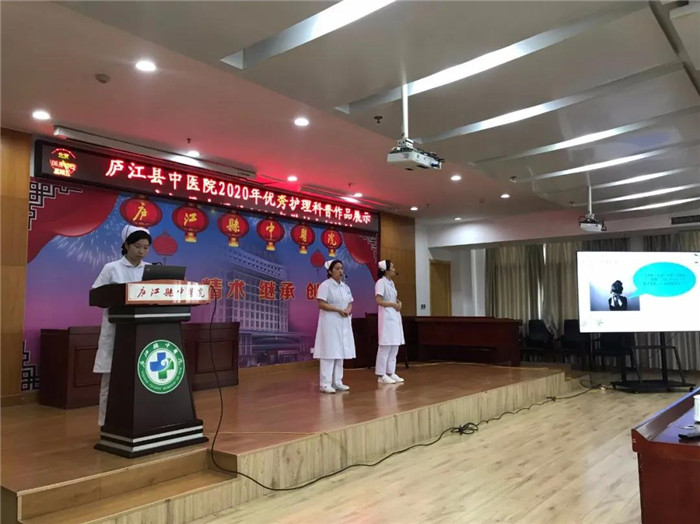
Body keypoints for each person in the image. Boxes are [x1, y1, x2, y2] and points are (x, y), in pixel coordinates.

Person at [92, 224, 152, 426]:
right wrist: (119, 295)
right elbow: (96, 294)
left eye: (146, 247)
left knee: (141, 379)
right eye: (137, 246)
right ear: (126, 245)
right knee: (111, 381)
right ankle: (106, 424)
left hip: (143, 332)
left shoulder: (150, 270)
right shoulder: (111, 268)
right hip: (117, 331)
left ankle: (139, 421)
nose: (142, 251)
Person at [313, 259, 355, 394]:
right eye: (337, 268)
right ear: (330, 271)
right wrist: (338, 309)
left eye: (341, 268)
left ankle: (337, 381)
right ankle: (325, 383)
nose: (340, 271)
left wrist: (347, 310)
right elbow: (321, 304)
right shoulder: (325, 286)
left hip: (343, 322)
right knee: (329, 352)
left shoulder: (345, 287)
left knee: (340, 351)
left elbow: (350, 303)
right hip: (330, 322)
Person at [375, 260, 405, 384]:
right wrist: (393, 304)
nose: (394, 269)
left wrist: (398, 302)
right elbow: (379, 300)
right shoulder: (380, 282)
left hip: (394, 316)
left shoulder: (391, 283)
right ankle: (381, 374)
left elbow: (393, 297)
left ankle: (390, 372)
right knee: (386, 345)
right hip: (386, 316)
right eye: (392, 267)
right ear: (386, 270)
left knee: (394, 345)